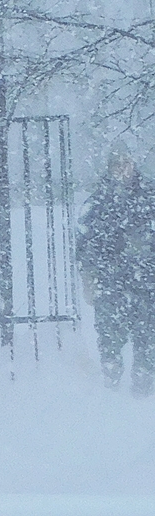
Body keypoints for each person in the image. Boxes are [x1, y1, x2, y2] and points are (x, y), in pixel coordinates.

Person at [78, 149, 155, 394]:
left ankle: (143, 387)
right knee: (110, 337)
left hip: (147, 282)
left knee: (148, 337)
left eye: (125, 162)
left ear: (133, 163)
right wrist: (88, 277)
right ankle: (110, 386)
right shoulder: (98, 201)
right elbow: (85, 242)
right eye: (116, 163)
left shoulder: (150, 197)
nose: (121, 168)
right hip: (110, 282)